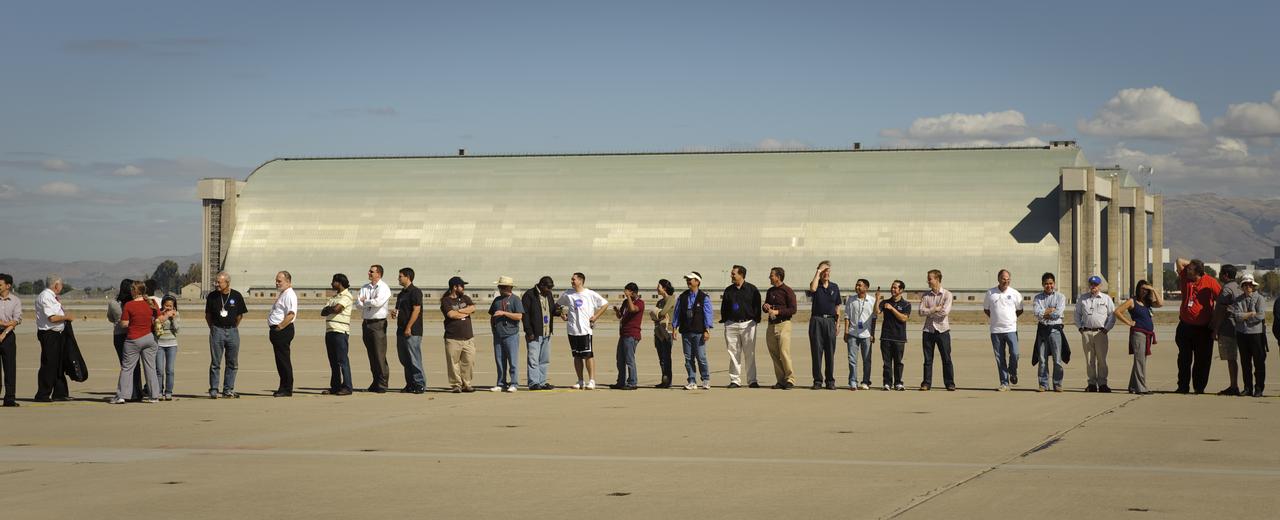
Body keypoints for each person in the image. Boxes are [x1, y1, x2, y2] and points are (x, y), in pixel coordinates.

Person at [112, 280, 168, 404]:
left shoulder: (129, 305)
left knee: (127, 368)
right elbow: (160, 318)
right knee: (150, 368)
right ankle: (154, 395)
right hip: (149, 338)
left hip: (133, 339)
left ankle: (122, 395)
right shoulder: (151, 303)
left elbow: (124, 324)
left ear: (134, 291)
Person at [1174, 258, 1221, 394]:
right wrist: (1193, 265)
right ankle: (1183, 386)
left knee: (1202, 360)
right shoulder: (1185, 278)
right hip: (1185, 326)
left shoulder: (1210, 282)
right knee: (1184, 359)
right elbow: (1179, 260)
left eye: (1190, 269)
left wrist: (1216, 323)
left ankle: (1199, 387)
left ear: (1198, 273)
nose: (1186, 270)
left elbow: (1222, 300)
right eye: (1187, 268)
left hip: (1203, 329)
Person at [556, 272, 609, 390]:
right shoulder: (568, 294)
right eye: (571, 279)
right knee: (576, 356)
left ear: (580, 280)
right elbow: (557, 305)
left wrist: (595, 317)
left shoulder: (589, 294)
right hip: (572, 330)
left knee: (588, 355)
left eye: (573, 279)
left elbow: (605, 304)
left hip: (585, 330)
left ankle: (592, 381)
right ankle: (580, 381)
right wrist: (562, 315)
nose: (572, 281)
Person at [204, 271, 247, 399]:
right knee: (215, 362)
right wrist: (213, 328)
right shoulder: (212, 296)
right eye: (216, 282)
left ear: (227, 283)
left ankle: (228, 389)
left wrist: (232, 328)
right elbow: (208, 315)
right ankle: (214, 389)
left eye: (219, 282)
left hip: (232, 331)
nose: (216, 284)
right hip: (217, 331)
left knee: (232, 363)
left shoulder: (236, 296)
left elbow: (240, 316)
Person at [1116, 280, 1161, 394]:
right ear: (1138, 289)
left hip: (1147, 335)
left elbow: (1160, 303)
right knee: (1140, 361)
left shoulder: (1147, 302)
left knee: (1140, 361)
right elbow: (1117, 311)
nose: (1144, 291)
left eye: (1146, 289)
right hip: (1138, 334)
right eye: (1142, 288)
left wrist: (1153, 289)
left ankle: (1132, 386)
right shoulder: (1132, 301)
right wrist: (1129, 322)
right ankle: (1141, 388)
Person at [34, 275, 75, 402]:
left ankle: (60, 393)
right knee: (49, 364)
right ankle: (43, 394)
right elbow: (51, 317)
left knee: (59, 364)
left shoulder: (52, 297)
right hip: (49, 334)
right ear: (56, 285)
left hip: (58, 334)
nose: (61, 287)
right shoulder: (46, 296)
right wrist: (66, 317)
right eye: (61, 285)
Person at [720, 265, 762, 389]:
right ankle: (735, 380)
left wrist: (755, 320)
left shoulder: (752, 289)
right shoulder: (728, 290)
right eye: (732, 273)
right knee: (733, 353)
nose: (731, 276)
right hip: (731, 324)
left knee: (750, 353)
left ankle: (752, 380)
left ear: (741, 275)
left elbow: (757, 306)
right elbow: (724, 307)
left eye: (734, 274)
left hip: (748, 324)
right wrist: (726, 321)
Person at [673, 271, 714, 390]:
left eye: (690, 279)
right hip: (686, 331)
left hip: (699, 332)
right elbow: (677, 313)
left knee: (701, 357)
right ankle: (691, 380)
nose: (688, 281)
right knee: (688, 358)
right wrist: (674, 328)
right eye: (687, 279)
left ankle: (705, 379)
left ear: (697, 282)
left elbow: (708, 314)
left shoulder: (704, 297)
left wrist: (707, 330)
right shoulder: (682, 296)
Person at [983, 269, 1023, 391]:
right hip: (996, 331)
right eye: (1003, 278)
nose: (1006, 281)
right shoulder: (990, 293)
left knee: (1015, 354)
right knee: (1000, 357)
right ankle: (1004, 382)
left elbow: (1020, 310)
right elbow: (986, 309)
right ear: (998, 279)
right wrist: (996, 319)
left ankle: (1012, 371)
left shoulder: (1015, 293)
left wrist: (1010, 319)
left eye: (1007, 279)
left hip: (1011, 329)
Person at [354, 265, 392, 393]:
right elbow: (358, 304)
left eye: (372, 271)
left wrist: (366, 301)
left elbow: (378, 303)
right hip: (366, 323)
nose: (369, 273)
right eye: (369, 271)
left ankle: (382, 383)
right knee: (371, 355)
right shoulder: (365, 287)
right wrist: (365, 302)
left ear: (379, 274)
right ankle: (375, 381)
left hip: (378, 324)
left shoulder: (384, 288)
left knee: (379, 354)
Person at [1076, 275, 1116, 392]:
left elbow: (1112, 316)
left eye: (1096, 285)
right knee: (1089, 360)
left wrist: (1106, 329)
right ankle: (1092, 383)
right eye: (1091, 284)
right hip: (1087, 332)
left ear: (1100, 286)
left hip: (1101, 333)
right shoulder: (1083, 299)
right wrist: (1080, 328)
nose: (1093, 287)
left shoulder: (1106, 299)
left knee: (1101, 359)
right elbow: (1077, 314)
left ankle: (1103, 383)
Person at [807, 261, 842, 390]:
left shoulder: (834, 287)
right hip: (817, 320)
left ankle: (830, 380)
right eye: (824, 271)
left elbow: (838, 306)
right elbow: (812, 289)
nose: (826, 273)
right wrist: (818, 271)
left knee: (830, 352)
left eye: (828, 271)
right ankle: (817, 380)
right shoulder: (816, 284)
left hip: (830, 321)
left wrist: (838, 323)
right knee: (816, 351)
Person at [1231, 274, 1267, 397]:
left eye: (1250, 284)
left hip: (1256, 334)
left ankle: (1259, 388)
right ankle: (1247, 387)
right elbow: (1237, 316)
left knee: (1259, 362)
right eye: (1245, 285)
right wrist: (1250, 314)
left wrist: (1246, 317)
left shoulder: (1260, 298)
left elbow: (1261, 315)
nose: (1248, 287)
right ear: (1242, 286)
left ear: (1253, 286)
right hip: (1242, 335)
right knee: (1245, 363)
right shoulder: (1238, 299)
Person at [1032, 272, 1069, 393]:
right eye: (1046, 284)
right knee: (1042, 359)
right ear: (1043, 284)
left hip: (1055, 330)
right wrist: (1049, 311)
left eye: (1051, 283)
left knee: (1057, 359)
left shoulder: (1060, 297)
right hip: (1042, 331)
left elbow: (1058, 313)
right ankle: (1043, 384)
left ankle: (1057, 383)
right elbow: (1037, 313)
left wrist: (1045, 313)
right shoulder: (1038, 297)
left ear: (1054, 284)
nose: (1049, 286)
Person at [919, 270, 955, 391]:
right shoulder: (926, 295)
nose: (928, 281)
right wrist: (934, 309)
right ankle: (926, 383)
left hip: (942, 330)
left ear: (937, 279)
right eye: (928, 279)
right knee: (928, 359)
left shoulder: (947, 295)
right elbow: (921, 311)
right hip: (928, 331)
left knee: (946, 358)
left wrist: (929, 312)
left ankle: (949, 383)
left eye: (930, 279)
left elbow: (945, 312)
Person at [520, 276, 558, 391]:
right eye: (548, 287)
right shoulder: (529, 295)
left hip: (546, 332)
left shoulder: (549, 295)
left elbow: (551, 310)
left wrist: (558, 311)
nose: (550, 290)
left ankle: (542, 382)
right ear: (541, 285)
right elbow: (525, 315)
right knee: (533, 359)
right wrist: (528, 331)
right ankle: (533, 382)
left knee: (544, 359)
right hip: (534, 333)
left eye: (551, 288)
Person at [392, 267, 426, 394]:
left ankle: (420, 383)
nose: (398, 278)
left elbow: (416, 310)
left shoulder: (415, 292)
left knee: (414, 358)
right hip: (400, 330)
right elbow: (399, 309)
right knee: (404, 359)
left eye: (400, 276)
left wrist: (408, 327)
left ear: (408, 277)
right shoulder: (401, 294)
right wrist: (395, 313)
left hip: (412, 331)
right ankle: (410, 383)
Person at [107, 279, 141, 401]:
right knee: (135, 365)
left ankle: (127, 392)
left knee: (125, 365)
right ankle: (137, 392)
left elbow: (110, 318)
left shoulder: (113, 303)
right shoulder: (133, 303)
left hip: (118, 335)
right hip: (133, 334)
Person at [762, 267, 797, 389]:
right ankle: (781, 380)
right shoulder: (770, 291)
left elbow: (793, 309)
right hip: (771, 325)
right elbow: (766, 306)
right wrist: (765, 307)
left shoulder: (788, 291)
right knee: (774, 353)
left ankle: (790, 379)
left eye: (771, 275)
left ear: (778, 277)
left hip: (784, 325)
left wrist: (777, 312)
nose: (769, 277)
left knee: (784, 352)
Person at [441, 276, 477, 393]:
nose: (463, 288)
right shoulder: (446, 300)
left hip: (468, 337)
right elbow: (451, 315)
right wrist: (464, 312)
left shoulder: (465, 298)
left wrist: (460, 311)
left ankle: (467, 383)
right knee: (453, 363)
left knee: (469, 361)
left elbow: (472, 308)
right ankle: (456, 384)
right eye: (462, 286)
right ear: (454, 287)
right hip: (452, 338)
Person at [1210, 264, 1242, 395]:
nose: (1219, 276)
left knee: (1231, 358)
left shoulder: (1227, 289)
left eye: (1221, 273)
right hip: (1240, 328)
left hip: (1228, 328)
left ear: (1226, 275)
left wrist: (1216, 329)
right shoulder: (1239, 287)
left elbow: (1222, 310)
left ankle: (1234, 386)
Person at [321, 273, 355, 395]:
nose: (331, 284)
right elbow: (323, 312)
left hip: (340, 332)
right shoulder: (334, 297)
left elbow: (337, 309)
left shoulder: (347, 295)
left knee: (342, 360)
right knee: (333, 361)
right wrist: (331, 308)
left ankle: (347, 386)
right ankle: (335, 386)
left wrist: (331, 308)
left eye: (333, 281)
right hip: (330, 331)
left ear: (339, 282)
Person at [489, 275, 524, 392]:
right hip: (498, 335)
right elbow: (492, 316)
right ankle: (501, 382)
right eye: (499, 287)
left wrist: (504, 313)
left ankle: (514, 383)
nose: (499, 289)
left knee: (512, 360)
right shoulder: (496, 300)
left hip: (511, 334)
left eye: (501, 287)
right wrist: (493, 330)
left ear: (508, 287)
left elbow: (519, 316)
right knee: (499, 360)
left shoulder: (515, 300)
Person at [875, 280, 911, 391]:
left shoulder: (906, 304)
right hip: (886, 336)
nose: (893, 289)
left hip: (899, 338)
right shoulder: (885, 302)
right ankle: (887, 383)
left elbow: (904, 318)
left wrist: (892, 309)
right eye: (892, 287)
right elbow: (877, 312)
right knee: (886, 362)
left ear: (901, 290)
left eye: (895, 288)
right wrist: (877, 299)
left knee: (898, 362)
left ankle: (898, 382)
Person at [268, 271, 298, 397]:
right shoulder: (283, 294)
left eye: (279, 281)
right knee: (280, 361)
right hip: (277, 331)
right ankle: (283, 386)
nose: (277, 283)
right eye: (276, 280)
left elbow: (291, 314)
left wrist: (280, 327)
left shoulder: (290, 295)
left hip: (283, 330)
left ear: (288, 281)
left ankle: (287, 388)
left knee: (284, 360)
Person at [841, 279, 875, 391]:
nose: (857, 287)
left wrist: (872, 334)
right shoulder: (851, 300)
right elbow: (847, 317)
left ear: (866, 288)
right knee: (852, 359)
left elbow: (874, 319)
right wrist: (846, 332)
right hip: (852, 334)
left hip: (866, 334)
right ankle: (853, 381)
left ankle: (866, 381)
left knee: (867, 359)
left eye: (860, 285)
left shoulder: (872, 300)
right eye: (856, 285)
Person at [611, 282, 644, 390]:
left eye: (628, 291)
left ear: (633, 292)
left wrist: (629, 297)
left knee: (629, 359)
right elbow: (621, 315)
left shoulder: (640, 303)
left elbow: (632, 309)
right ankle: (621, 381)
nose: (625, 293)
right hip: (623, 334)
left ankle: (632, 382)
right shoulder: (625, 302)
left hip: (632, 334)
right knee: (620, 359)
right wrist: (617, 311)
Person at [649, 279, 676, 388]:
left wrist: (656, 313)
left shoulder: (671, 299)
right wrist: (656, 314)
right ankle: (664, 380)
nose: (657, 287)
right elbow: (654, 316)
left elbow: (663, 312)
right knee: (661, 357)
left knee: (666, 356)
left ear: (664, 288)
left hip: (667, 331)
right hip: (658, 330)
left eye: (658, 286)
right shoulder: (659, 301)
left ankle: (668, 380)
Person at [153, 295, 181, 401]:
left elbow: (177, 330)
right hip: (159, 344)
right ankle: (159, 391)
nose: (168, 307)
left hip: (172, 344)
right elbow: (156, 327)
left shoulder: (176, 314)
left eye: (170, 305)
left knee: (170, 370)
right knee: (159, 370)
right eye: (166, 305)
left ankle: (169, 392)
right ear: (163, 305)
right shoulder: (159, 314)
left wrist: (173, 318)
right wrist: (163, 316)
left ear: (174, 306)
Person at [0, 273, 21, 407]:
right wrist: (7, 323)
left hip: (8, 337)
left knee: (10, 368)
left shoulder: (15, 301)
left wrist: (5, 329)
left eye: (0, 284)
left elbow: (17, 319)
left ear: (8, 286)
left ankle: (9, 398)